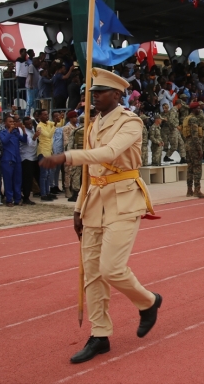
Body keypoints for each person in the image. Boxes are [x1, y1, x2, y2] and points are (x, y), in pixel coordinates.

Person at [39, 68, 162, 364]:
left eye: (100, 93)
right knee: (91, 274)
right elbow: (90, 173)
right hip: (94, 202)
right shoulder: (94, 124)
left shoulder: (131, 122)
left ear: (117, 95)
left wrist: (65, 156)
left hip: (123, 200)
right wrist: (78, 208)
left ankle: (148, 302)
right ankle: (100, 334)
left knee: (111, 268)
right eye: (93, 94)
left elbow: (108, 154)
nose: (94, 98)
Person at [0, 115, 27, 206]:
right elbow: (4, 141)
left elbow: (24, 140)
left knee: (17, 180)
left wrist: (23, 130)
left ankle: (17, 199)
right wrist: (9, 131)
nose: (12, 123)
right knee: (8, 180)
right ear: (5, 123)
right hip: (7, 159)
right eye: (10, 122)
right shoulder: (2, 132)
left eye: (13, 122)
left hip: (17, 158)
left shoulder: (16, 132)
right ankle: (9, 199)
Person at [182, 102, 204, 198]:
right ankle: (197, 190)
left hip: (187, 145)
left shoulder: (186, 118)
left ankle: (189, 190)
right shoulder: (193, 119)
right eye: (198, 108)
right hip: (194, 147)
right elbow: (195, 136)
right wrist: (199, 149)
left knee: (190, 169)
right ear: (193, 109)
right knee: (197, 169)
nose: (199, 110)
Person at [36, 109, 56, 201]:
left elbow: (60, 124)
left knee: (48, 174)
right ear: (39, 117)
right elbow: (48, 135)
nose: (46, 116)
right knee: (44, 174)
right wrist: (55, 125)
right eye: (44, 115)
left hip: (49, 152)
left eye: (47, 114)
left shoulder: (48, 123)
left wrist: (60, 119)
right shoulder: (39, 126)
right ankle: (43, 194)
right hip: (43, 152)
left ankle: (47, 192)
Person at [20, 116, 38, 205]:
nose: (29, 125)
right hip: (26, 158)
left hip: (34, 157)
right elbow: (30, 143)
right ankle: (26, 197)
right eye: (27, 124)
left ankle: (33, 193)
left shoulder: (33, 130)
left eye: (30, 123)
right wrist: (34, 137)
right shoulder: (23, 132)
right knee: (27, 179)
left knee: (31, 179)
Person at [62, 111, 79, 197]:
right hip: (69, 152)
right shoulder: (67, 128)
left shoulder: (77, 127)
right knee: (68, 171)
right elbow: (66, 142)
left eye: (76, 117)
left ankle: (74, 188)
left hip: (76, 152)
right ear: (70, 118)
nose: (76, 119)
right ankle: (67, 188)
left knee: (74, 172)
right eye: (74, 117)